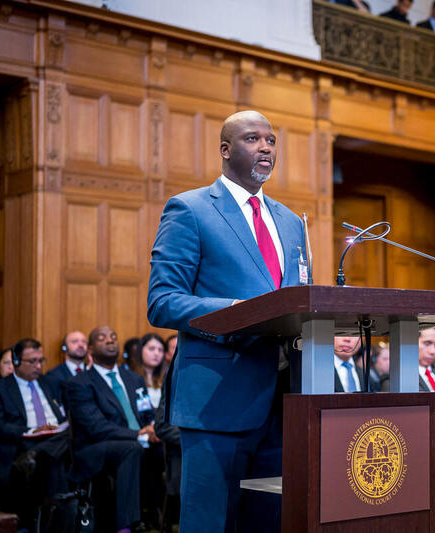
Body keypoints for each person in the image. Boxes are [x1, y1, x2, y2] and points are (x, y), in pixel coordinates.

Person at [147, 109, 306, 532]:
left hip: (284, 402)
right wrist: (236, 312)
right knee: (211, 524)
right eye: (253, 139)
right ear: (225, 149)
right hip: (218, 402)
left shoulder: (291, 223)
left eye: (271, 140)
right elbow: (162, 301)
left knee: (270, 522)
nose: (266, 148)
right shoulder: (191, 209)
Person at [66, 326, 159, 533]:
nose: (110, 341)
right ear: (90, 348)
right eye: (102, 338)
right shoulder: (79, 383)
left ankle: (167, 517)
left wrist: (153, 427)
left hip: (139, 439)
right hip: (96, 447)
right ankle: (127, 526)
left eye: (113, 337)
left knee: (172, 444)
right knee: (131, 449)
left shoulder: (134, 379)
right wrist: (139, 434)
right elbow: (96, 427)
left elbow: (146, 412)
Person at [0, 338, 69, 528]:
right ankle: (58, 524)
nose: (38, 366)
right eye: (32, 361)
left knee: (67, 436)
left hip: (55, 438)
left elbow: (62, 414)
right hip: (24, 442)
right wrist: (31, 430)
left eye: (41, 360)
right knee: (55, 458)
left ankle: (39, 454)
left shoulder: (49, 383)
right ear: (16, 362)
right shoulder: (0, 389)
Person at [45, 330, 88, 398]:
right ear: (64, 348)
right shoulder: (53, 376)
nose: (81, 345)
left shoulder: (93, 371)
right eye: (75, 341)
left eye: (84, 342)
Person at [128, 334, 165, 408]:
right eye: (151, 349)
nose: (156, 353)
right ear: (140, 350)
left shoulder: (167, 377)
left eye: (160, 350)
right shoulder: (129, 377)